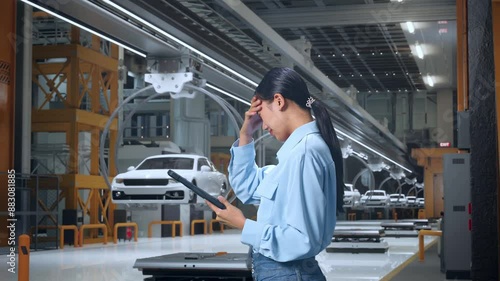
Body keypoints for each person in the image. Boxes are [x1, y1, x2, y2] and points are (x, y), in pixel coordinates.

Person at [206, 67, 345, 280]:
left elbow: (302, 240)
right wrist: (246, 135)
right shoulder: (295, 154)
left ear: (279, 101)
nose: (263, 127)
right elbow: (248, 187)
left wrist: (243, 224)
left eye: (261, 115)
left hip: (288, 272)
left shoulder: (305, 153)